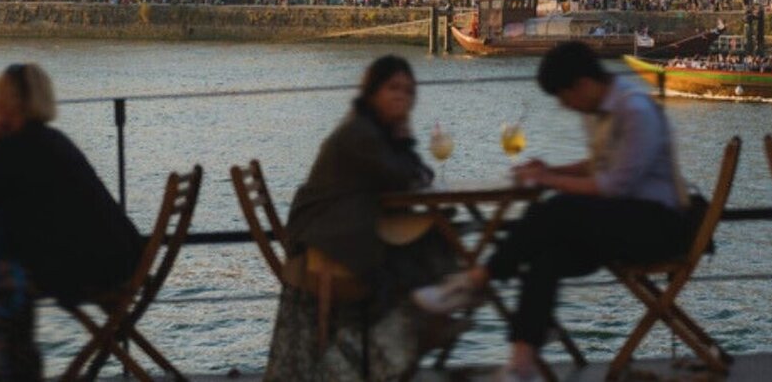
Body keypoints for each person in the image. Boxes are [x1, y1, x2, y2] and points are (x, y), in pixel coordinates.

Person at [414, 43, 700, 382]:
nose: (567, 107)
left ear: (580, 85)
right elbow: (601, 165)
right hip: (620, 224)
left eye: (564, 98)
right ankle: (521, 364)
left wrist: (548, 179)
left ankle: (477, 280)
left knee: (557, 209)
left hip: (658, 227)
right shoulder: (604, 111)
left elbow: (613, 184)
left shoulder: (635, 110)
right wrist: (552, 169)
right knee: (545, 257)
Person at [268, 55, 460, 380]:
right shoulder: (360, 133)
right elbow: (402, 175)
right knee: (433, 243)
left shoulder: (375, 129)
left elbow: (414, 173)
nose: (402, 96)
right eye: (393, 88)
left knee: (439, 235)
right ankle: (419, 325)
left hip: (346, 225)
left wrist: (404, 144)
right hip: (329, 234)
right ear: (373, 92)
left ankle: (424, 321)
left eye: (408, 91)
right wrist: (405, 142)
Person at [0, 63, 141, 381]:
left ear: (13, 103)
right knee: (5, 276)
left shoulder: (18, 145)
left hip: (92, 267)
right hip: (120, 257)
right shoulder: (51, 140)